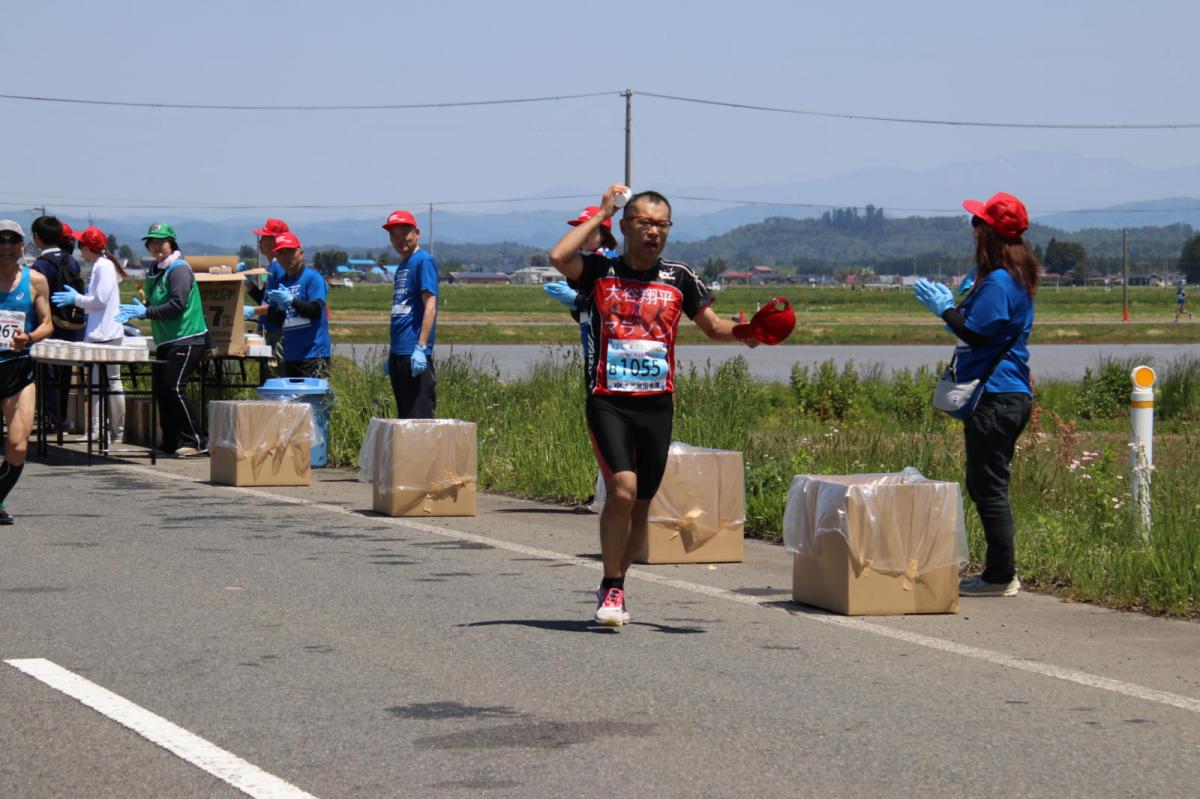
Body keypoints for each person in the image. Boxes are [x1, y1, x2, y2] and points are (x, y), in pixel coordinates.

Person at [548, 185, 758, 626]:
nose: (653, 232)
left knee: (642, 503)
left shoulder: (679, 277)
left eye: (662, 224)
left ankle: (617, 583)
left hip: (657, 405)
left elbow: (714, 326)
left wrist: (747, 332)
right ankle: (610, 583)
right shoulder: (600, 270)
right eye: (643, 222)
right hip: (608, 400)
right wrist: (602, 211)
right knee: (621, 489)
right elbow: (558, 257)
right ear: (625, 227)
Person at [912, 191, 1037, 598]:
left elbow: (976, 334)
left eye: (977, 224)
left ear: (991, 234)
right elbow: (982, 328)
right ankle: (999, 572)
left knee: (988, 487)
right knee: (987, 482)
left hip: (995, 397)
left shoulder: (1000, 281)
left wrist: (945, 308)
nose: (973, 230)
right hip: (1009, 393)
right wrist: (964, 301)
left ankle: (1001, 576)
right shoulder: (1010, 277)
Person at [115, 223, 209, 457]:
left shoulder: (178, 269)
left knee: (174, 387)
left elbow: (177, 304)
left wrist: (147, 313)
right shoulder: (157, 269)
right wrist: (145, 307)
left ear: (172, 244)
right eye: (152, 242)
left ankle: (196, 440)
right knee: (162, 390)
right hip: (167, 339)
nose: (156, 246)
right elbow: (158, 303)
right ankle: (171, 440)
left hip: (187, 337)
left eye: (161, 242)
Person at [0, 220, 55, 524]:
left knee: (19, 445)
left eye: (13, 241)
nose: (6, 247)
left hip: (17, 368)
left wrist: (30, 337)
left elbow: (48, 322)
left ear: (22, 246)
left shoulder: (36, 281)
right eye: (1, 241)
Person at [51, 226, 126, 442]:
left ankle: (111, 431)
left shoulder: (103, 267)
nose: (79, 250)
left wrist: (75, 299)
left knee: (109, 382)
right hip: (103, 333)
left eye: (81, 245)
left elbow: (98, 300)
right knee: (106, 382)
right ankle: (102, 430)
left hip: (105, 334)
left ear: (87, 247)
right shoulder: (102, 265)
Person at [545, 206, 619, 367]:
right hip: (591, 337)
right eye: (580, 229)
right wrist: (576, 307)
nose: (582, 235)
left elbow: (608, 308)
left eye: (588, 228)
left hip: (608, 345)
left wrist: (578, 300)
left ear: (603, 233)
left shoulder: (608, 262)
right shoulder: (583, 262)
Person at [30, 216, 85, 432]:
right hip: (71, 326)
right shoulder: (71, 261)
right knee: (64, 373)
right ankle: (60, 417)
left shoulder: (40, 266)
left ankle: (51, 419)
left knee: (47, 374)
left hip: (47, 327)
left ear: (37, 238)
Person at [383, 210, 438, 418]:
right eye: (394, 236)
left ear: (416, 233)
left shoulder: (423, 261)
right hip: (399, 353)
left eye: (404, 234)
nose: (399, 240)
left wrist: (421, 347)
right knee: (405, 417)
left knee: (419, 418)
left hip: (414, 352)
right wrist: (393, 353)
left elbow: (430, 305)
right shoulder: (402, 266)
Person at [254, 232, 331, 378]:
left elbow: (315, 311)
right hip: (290, 355)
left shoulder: (312, 278)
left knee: (313, 399)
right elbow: (278, 320)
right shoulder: (282, 282)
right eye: (281, 253)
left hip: (314, 354)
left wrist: (292, 301)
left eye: (290, 251)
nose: (286, 256)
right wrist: (277, 309)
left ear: (300, 253)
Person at [243, 218, 289, 377]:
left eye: (264, 238)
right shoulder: (273, 267)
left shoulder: (279, 267)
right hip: (269, 330)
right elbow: (266, 299)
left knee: (274, 375)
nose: (260, 242)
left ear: (275, 241)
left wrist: (253, 311)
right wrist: (248, 285)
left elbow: (277, 307)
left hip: (277, 331)